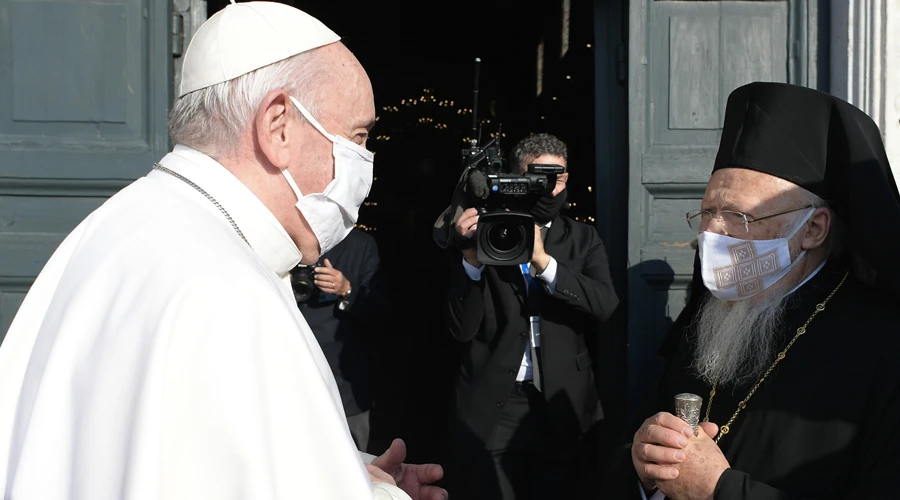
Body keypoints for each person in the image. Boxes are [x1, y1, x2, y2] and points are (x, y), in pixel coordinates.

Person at [0, 3, 447, 500]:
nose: (365, 162)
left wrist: (353, 472)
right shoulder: (226, 292)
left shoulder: (115, 224)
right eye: (358, 137)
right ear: (278, 126)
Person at [620, 82, 900, 499]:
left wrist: (722, 490)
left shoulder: (884, 345)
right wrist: (646, 470)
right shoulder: (713, 316)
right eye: (708, 211)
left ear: (813, 229)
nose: (711, 232)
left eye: (738, 216)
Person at [443, 133, 620, 499]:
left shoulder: (583, 239)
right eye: (536, 178)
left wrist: (544, 262)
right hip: (496, 402)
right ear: (513, 178)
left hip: (563, 403)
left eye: (555, 177)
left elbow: (605, 305)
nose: (547, 188)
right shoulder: (486, 232)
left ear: (567, 179)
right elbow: (460, 330)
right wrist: (470, 262)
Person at [294, 227, 389, 452]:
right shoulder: (287, 239)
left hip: (346, 386)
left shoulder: (361, 244)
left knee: (354, 462)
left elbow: (382, 314)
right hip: (293, 379)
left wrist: (347, 290)